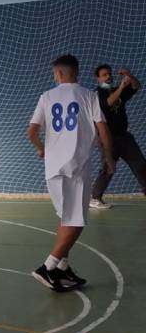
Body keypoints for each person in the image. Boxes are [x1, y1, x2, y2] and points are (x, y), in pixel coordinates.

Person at [28, 54, 114, 292]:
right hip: (75, 167)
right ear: (76, 72)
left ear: (58, 73)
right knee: (76, 221)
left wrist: (41, 149)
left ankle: (62, 268)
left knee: (67, 218)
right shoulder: (89, 95)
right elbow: (103, 130)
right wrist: (108, 158)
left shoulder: (46, 96)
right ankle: (48, 267)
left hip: (52, 169)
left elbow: (32, 131)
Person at [89, 64, 145, 209]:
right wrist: (121, 86)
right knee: (108, 169)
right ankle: (95, 198)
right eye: (104, 75)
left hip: (125, 137)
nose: (108, 76)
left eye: (109, 74)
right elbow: (108, 104)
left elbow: (137, 86)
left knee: (141, 165)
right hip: (108, 139)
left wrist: (129, 76)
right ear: (98, 79)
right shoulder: (96, 94)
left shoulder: (116, 90)